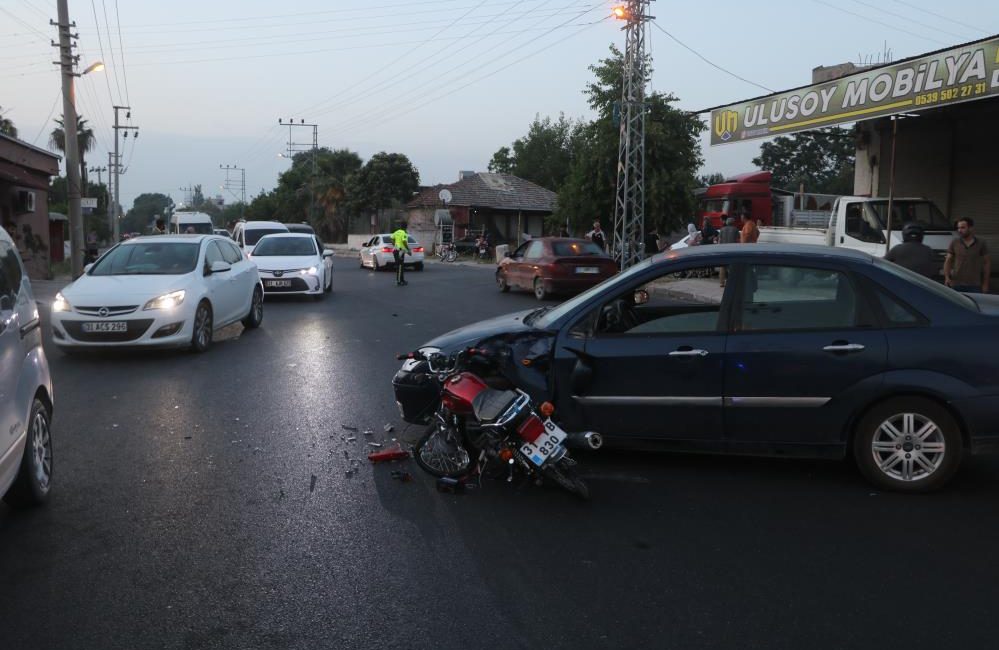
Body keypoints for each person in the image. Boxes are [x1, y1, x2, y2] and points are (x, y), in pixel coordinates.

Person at [944, 217, 991, 293]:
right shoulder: (955, 242)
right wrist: (947, 277)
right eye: (958, 228)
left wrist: (985, 284)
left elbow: (987, 263)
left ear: (971, 228)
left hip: (974, 285)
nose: (959, 230)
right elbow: (948, 260)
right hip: (956, 284)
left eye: (963, 228)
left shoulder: (981, 243)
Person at [717, 217, 740, 287]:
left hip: (723, 250)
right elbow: (738, 240)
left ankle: (721, 282)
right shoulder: (735, 230)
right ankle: (731, 282)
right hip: (732, 250)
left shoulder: (722, 229)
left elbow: (719, 240)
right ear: (733, 222)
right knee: (732, 267)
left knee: (722, 267)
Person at [392, 222, 412, 286]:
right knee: (400, 266)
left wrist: (395, 244)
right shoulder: (404, 233)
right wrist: (408, 249)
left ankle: (402, 280)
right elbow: (404, 241)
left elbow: (392, 238)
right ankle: (399, 281)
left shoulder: (396, 232)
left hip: (396, 250)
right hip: (400, 251)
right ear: (406, 227)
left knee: (400, 266)